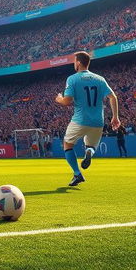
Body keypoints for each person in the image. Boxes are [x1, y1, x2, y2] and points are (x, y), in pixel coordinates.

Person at [55, 51, 119, 186]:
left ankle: (77, 174)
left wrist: (59, 99)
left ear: (78, 63)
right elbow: (113, 97)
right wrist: (115, 117)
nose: (74, 63)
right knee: (91, 146)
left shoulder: (72, 79)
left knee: (67, 144)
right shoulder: (100, 79)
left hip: (80, 120)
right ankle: (89, 152)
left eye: (74, 61)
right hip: (98, 121)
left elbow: (67, 102)